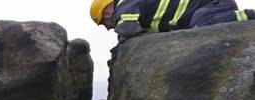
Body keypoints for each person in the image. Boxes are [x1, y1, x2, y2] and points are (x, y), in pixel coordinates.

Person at [90, 0, 255, 42]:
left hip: (213, 4)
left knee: (201, 25)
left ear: (107, 11)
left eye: (103, 23)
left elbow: (127, 29)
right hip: (204, 10)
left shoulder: (125, 4)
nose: (107, 28)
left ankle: (251, 15)